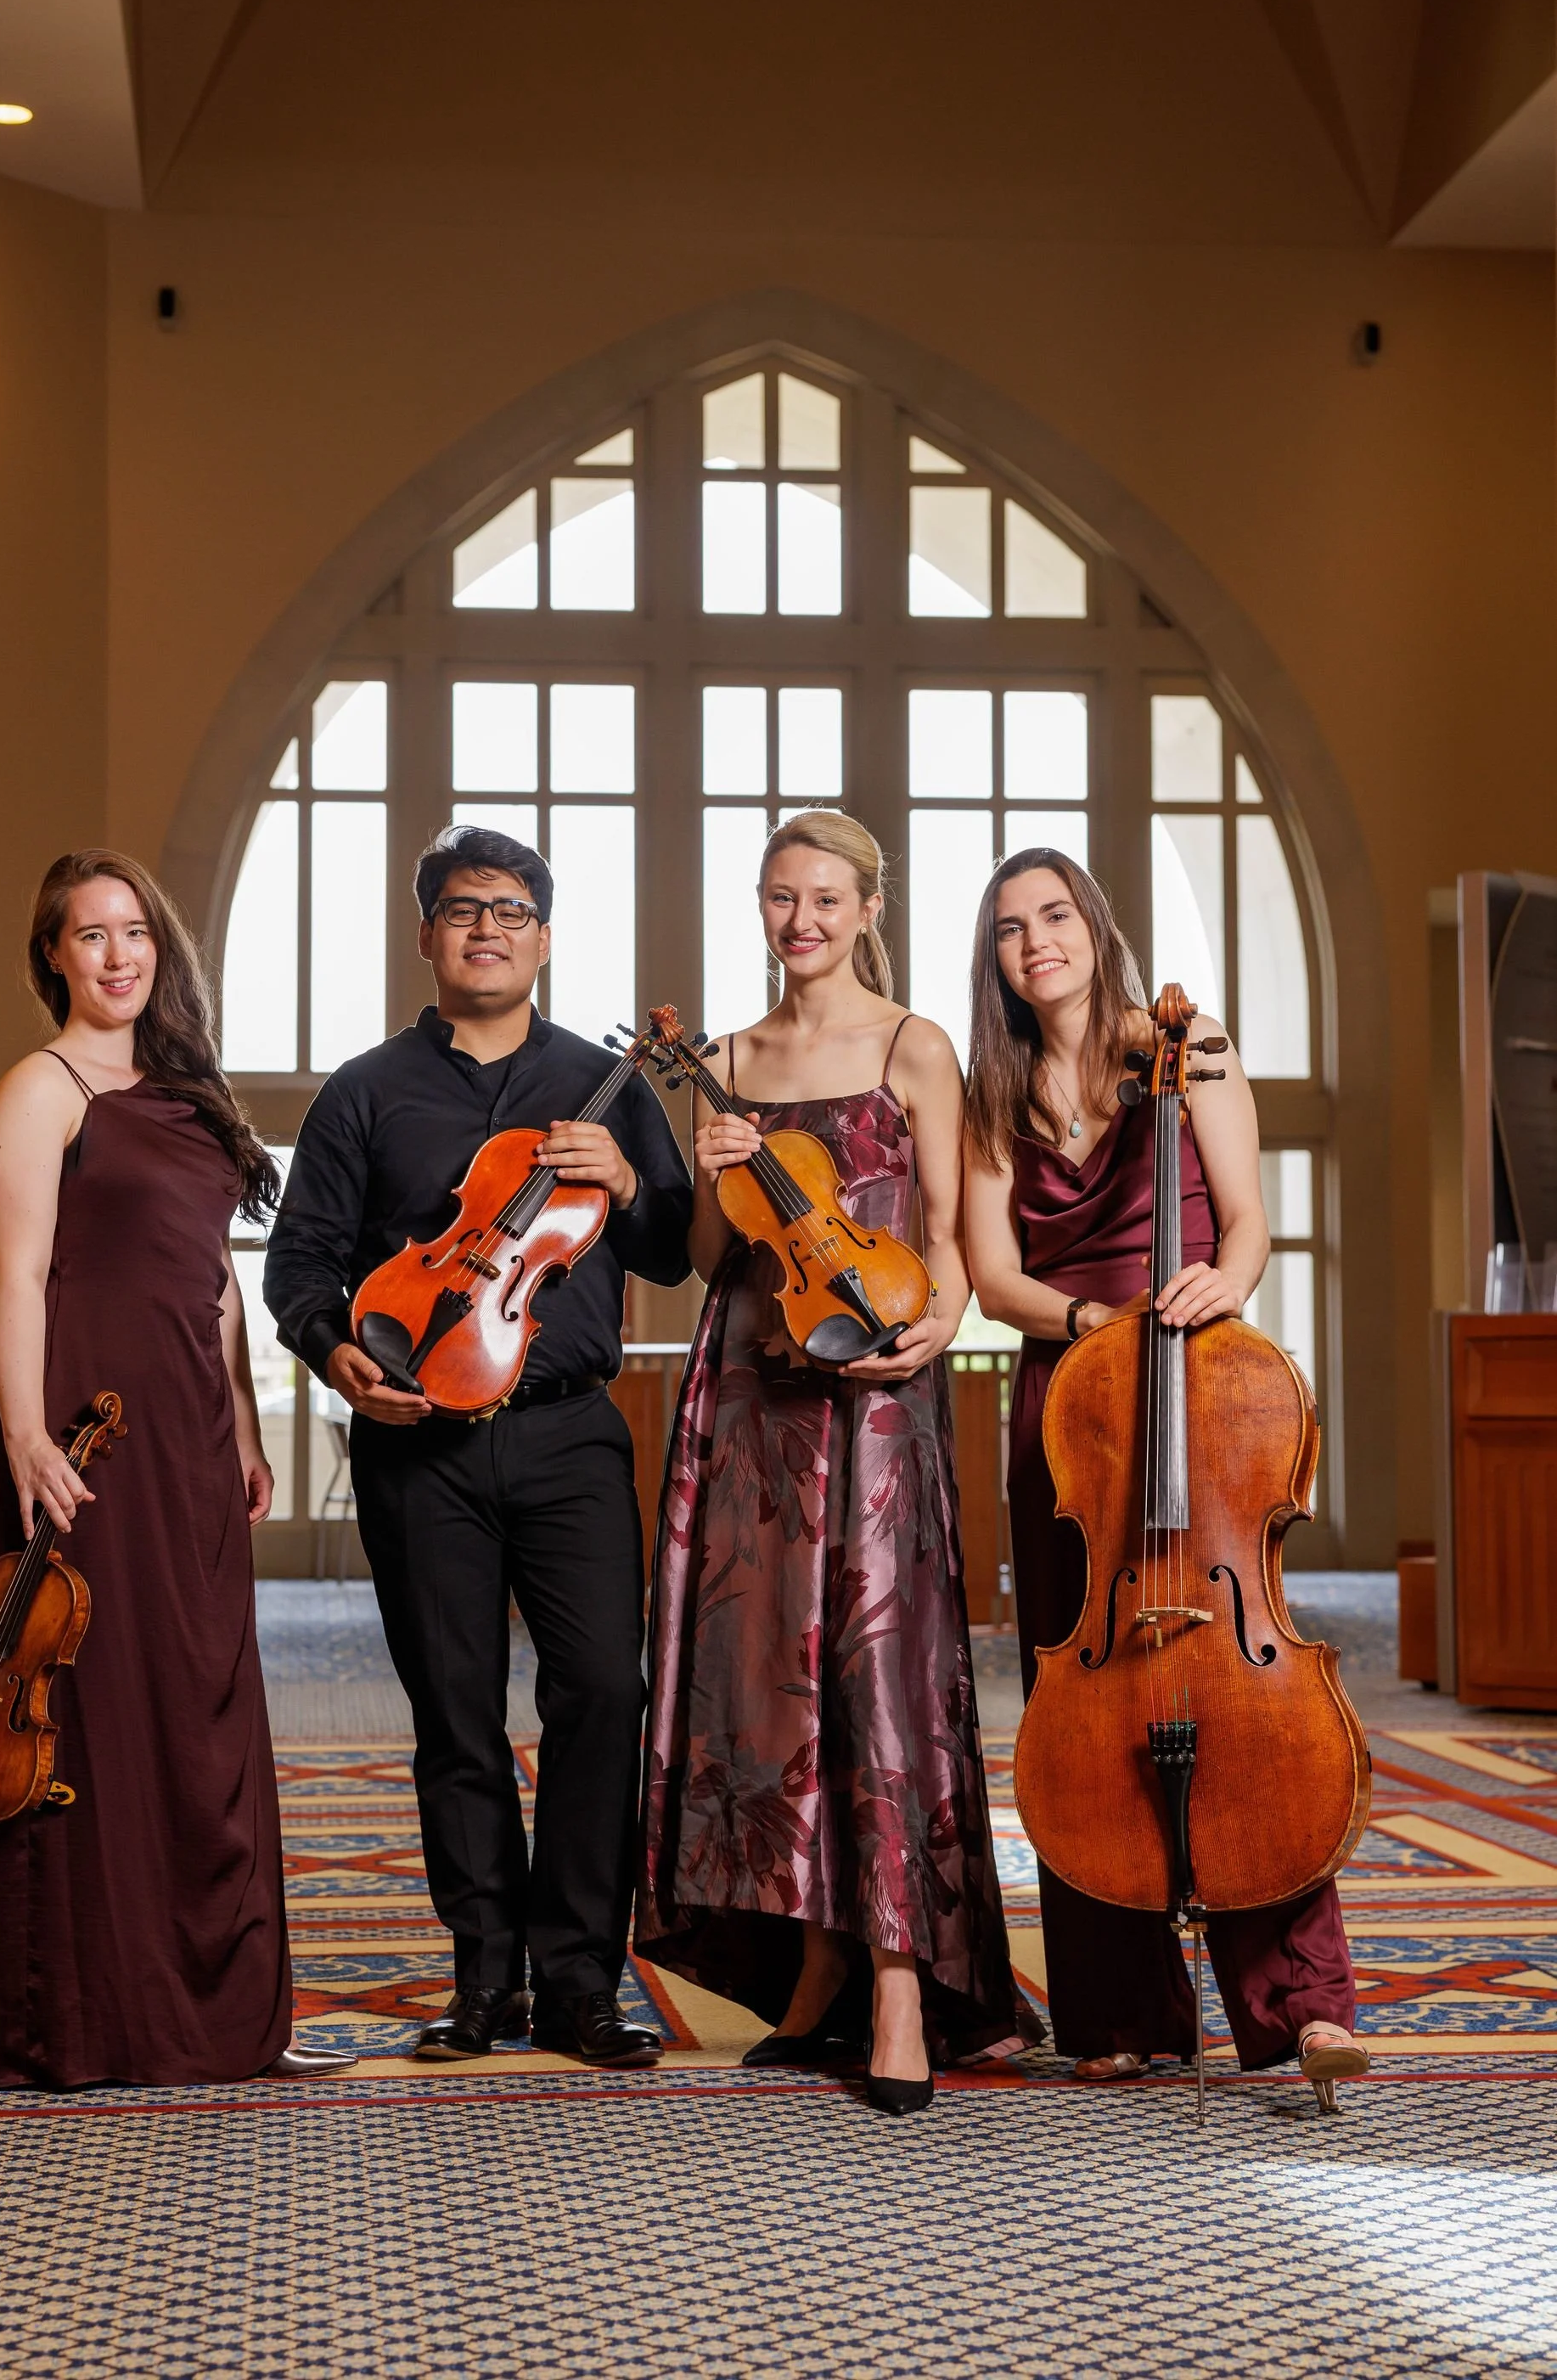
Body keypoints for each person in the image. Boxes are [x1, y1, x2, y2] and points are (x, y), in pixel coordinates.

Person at [264, 823, 694, 2068]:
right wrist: (333, 1352)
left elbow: (671, 1250)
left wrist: (628, 1173)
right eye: (464, 910)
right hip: (419, 1448)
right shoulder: (365, 1091)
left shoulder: (606, 1088)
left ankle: (576, 1982)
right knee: (454, 1716)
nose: (488, 929)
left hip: (568, 1439)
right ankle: (482, 1980)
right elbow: (302, 1266)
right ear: (427, 937)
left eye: (511, 911)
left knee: (601, 1697)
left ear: (546, 940)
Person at [636, 810, 1040, 2118]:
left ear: (870, 908)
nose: (797, 920)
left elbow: (959, 1242)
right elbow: (714, 1255)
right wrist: (710, 1170)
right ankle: (811, 1965)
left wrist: (928, 1333)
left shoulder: (918, 1046)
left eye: (822, 898)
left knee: (882, 1675)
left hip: (874, 1393)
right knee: (764, 1686)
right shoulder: (736, 1058)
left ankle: (904, 1982)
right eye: (775, 897)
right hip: (752, 1388)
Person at [961, 845, 1369, 2094]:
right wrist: (1089, 1327)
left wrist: (1217, 1286)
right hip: (1073, 1401)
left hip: (1194, 1373)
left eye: (1057, 916)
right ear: (997, 960)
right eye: (1013, 928)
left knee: (1248, 1696)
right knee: (1091, 1700)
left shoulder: (1193, 1049)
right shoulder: (993, 1095)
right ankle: (1120, 2008)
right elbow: (991, 1275)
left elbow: (1240, 1224)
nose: (1040, 943)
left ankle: (1299, 2004)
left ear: (1095, 926)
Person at [0, 850, 336, 2088]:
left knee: (198, 1705)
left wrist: (236, 1418)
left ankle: (215, 2017)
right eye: (91, 935)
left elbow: (213, 1274)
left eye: (136, 933)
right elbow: (16, 1274)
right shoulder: (43, 1086)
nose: (119, 955)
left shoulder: (189, 1094)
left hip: (186, 1434)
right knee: (89, 1710)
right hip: (83, 1431)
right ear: (53, 956)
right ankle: (80, 2021)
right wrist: (24, 1430)